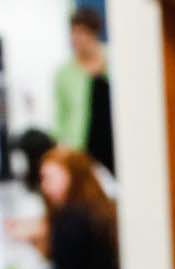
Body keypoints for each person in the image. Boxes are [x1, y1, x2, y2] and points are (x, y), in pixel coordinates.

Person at [54, 8, 114, 172]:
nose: (76, 38)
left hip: (113, 138)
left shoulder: (113, 61)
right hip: (83, 142)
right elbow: (60, 115)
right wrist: (61, 146)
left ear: (94, 33)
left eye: (81, 32)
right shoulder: (64, 73)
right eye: (73, 32)